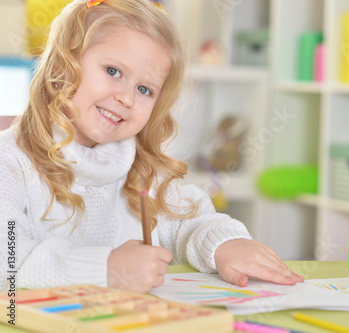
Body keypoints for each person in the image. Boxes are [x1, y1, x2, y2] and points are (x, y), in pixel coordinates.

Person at [0, 0, 303, 294]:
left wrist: (226, 244)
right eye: (113, 71)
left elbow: (192, 221)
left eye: (144, 89)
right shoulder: (9, 161)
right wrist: (104, 270)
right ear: (61, 67)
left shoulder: (142, 168)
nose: (127, 98)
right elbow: (6, 260)